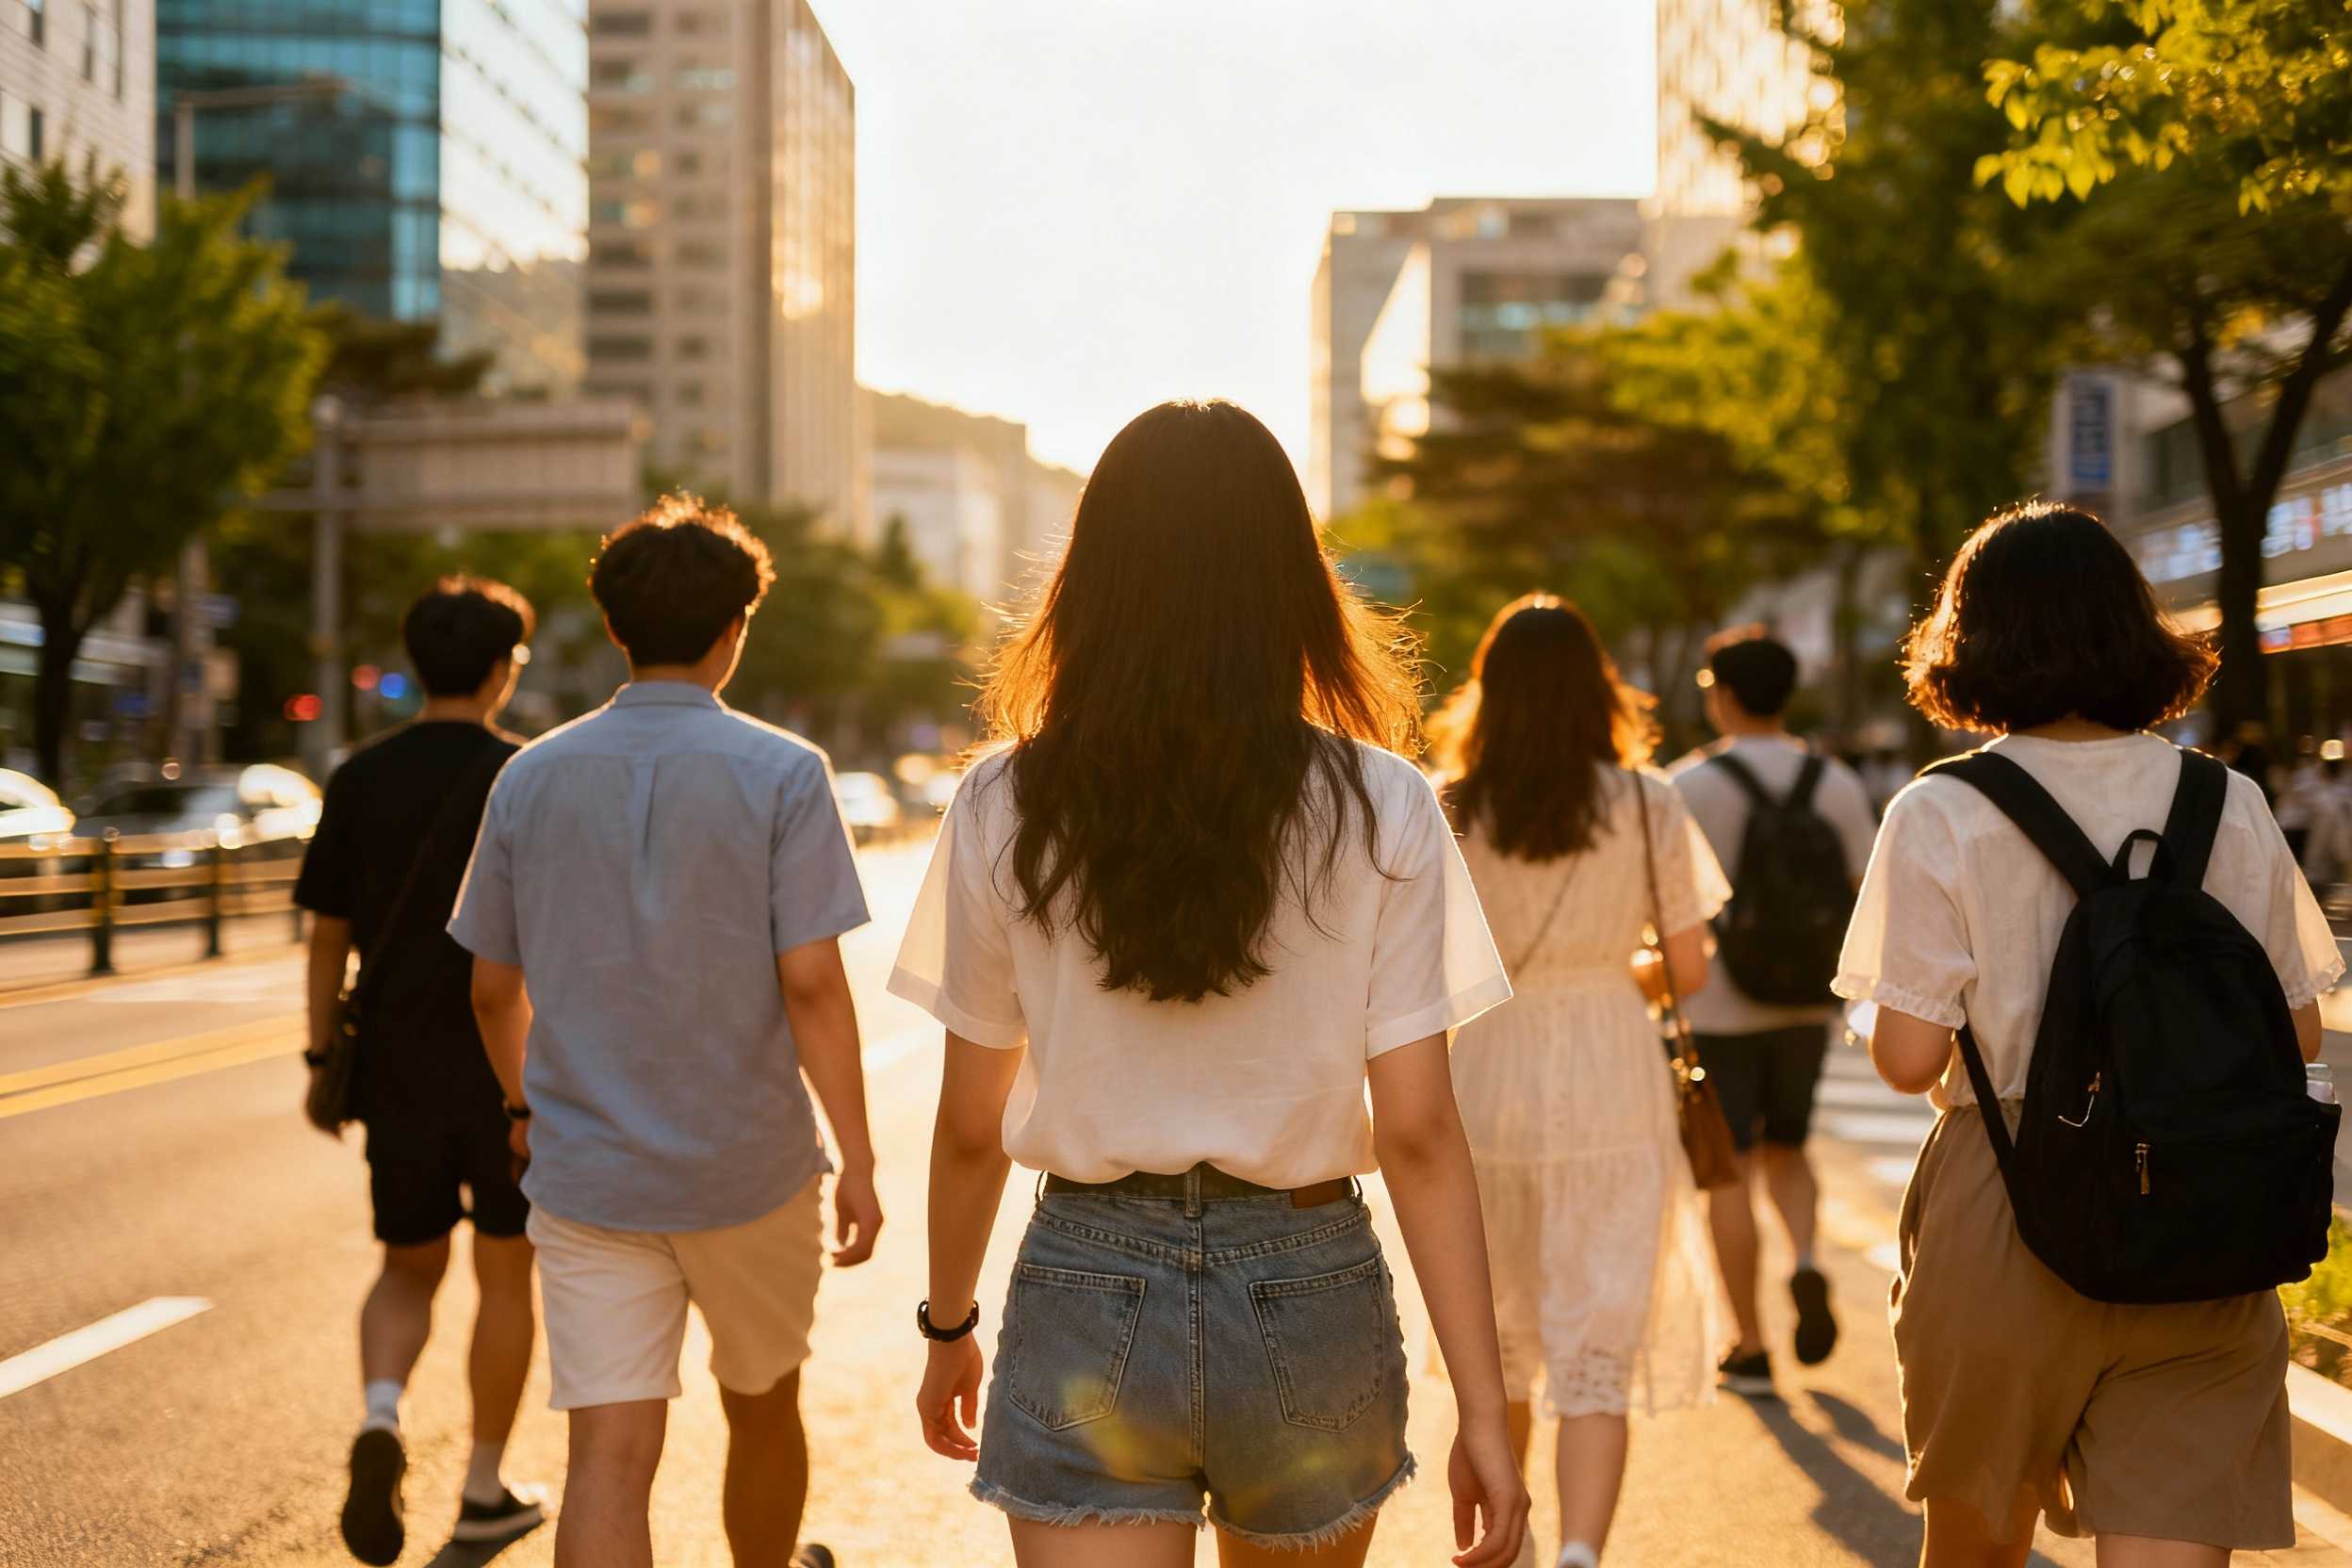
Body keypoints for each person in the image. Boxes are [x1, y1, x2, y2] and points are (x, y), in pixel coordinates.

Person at [898, 400, 1529, 1568]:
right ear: (1290, 577)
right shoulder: (1382, 800)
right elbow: (1426, 1134)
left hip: (1089, 1279)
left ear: (1091, 579)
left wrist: (948, 1325)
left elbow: (968, 1126)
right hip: (1308, 1280)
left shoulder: (1006, 800)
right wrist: (1485, 1412)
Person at [1835, 501, 2341, 1567]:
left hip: (2011, 1196)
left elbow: (1909, 1059)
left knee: (1976, 1546)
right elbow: (2297, 1027)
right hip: (2204, 1210)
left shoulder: (1942, 811)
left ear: (1972, 638)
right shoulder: (2228, 800)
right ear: (2131, 626)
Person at [449, 498, 880, 1568]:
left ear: (613, 628)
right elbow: (816, 986)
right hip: (753, 1166)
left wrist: (523, 1104)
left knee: (608, 1449)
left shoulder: (529, 775)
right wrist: (861, 1157)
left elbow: (493, 988)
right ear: (737, 629)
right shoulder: (785, 772)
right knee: (764, 1404)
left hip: (590, 1169)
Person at [1436, 595, 1728, 1568]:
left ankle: (1504, 1548)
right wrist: (1612, 966)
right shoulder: (1649, 802)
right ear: (1597, 688)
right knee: (1596, 1345)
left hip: (1484, 1070)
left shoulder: (1452, 805)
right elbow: (1689, 968)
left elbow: (1422, 974)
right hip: (1611, 1066)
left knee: (1501, 1338)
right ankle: (1583, 1553)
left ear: (1493, 692)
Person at [296, 577, 547, 1564]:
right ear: (501, 668)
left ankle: (381, 1416)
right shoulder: (526, 776)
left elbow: (327, 937)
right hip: (504, 1066)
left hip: (393, 1065)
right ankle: (483, 1486)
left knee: (406, 1265)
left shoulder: (358, 776)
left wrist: (324, 1055)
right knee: (505, 1272)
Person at [1667, 629, 1878, 1397]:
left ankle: (1749, 1346)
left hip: (1718, 1004)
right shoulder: (1835, 782)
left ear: (1719, 693)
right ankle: (1809, 1263)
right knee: (1787, 1148)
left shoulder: (1685, 786)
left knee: (1728, 1169)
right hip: (1803, 1004)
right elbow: (1860, 887)